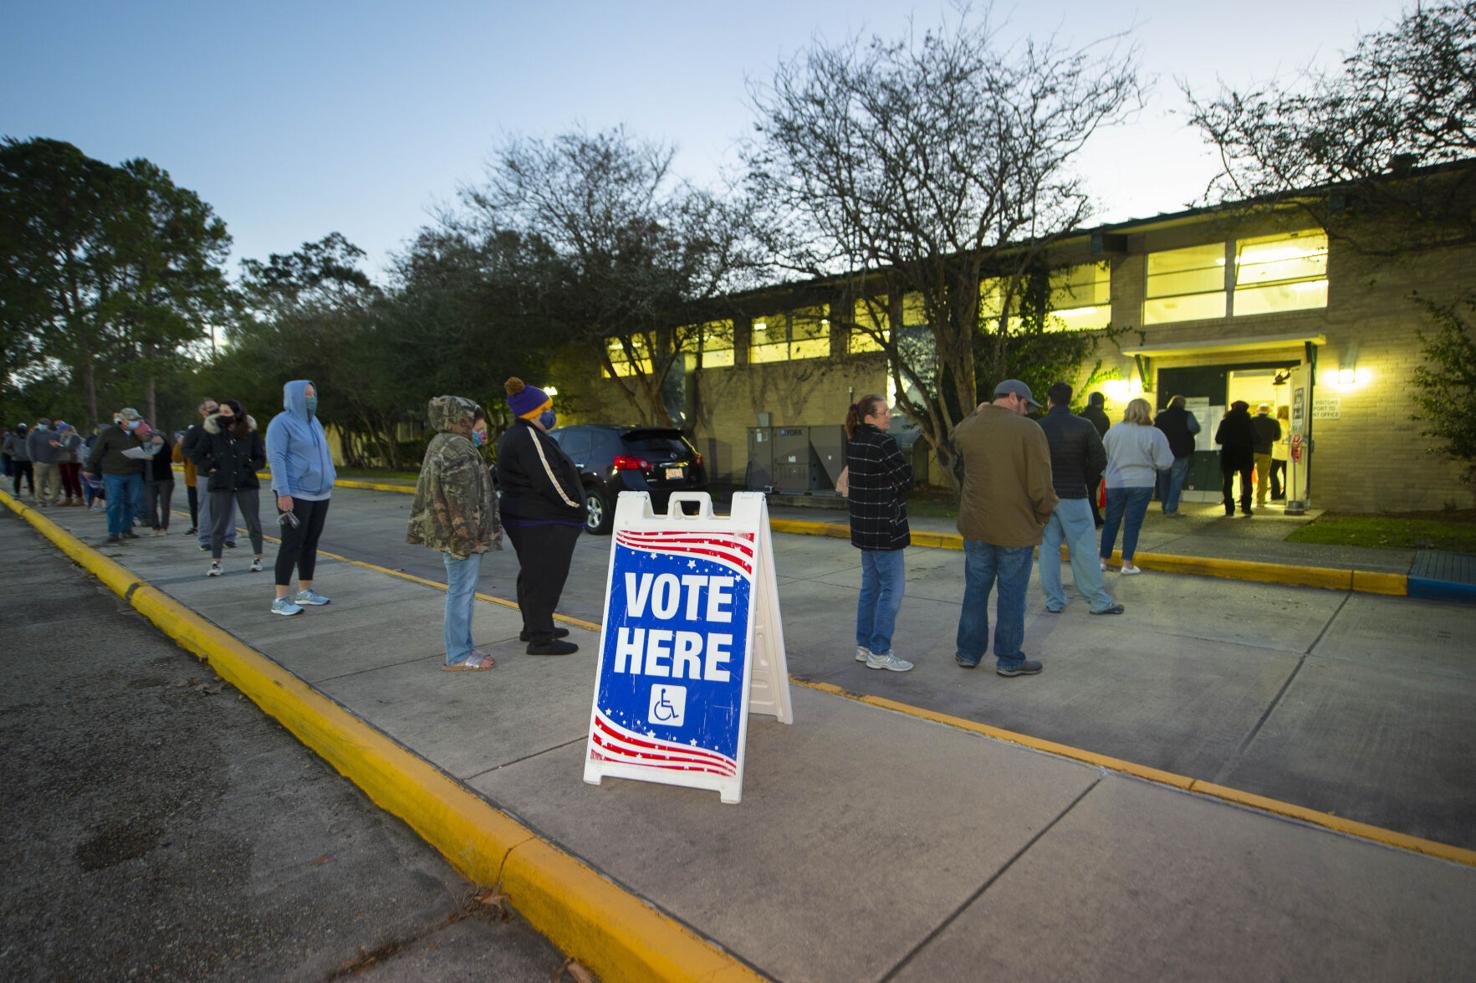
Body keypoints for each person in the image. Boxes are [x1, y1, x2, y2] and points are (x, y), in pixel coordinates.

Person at [953, 380, 1057, 677]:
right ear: (1013, 398)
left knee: (975, 590)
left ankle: (968, 653)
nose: (1026, 412)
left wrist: (976, 413)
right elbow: (1040, 483)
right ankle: (1009, 659)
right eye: (1026, 405)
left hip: (976, 526)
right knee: (1011, 594)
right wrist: (1044, 513)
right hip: (1015, 528)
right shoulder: (1028, 431)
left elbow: (954, 436)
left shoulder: (970, 427)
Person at [407, 396, 502, 671]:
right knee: (461, 593)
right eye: (479, 423)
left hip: (456, 535)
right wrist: (466, 537)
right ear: (463, 421)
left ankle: (463, 647)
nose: (483, 430)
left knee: (461, 591)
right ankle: (458, 654)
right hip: (462, 538)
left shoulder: (444, 443)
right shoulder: (458, 449)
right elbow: (460, 498)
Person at [495, 377, 583, 655]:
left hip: (529, 518)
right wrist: (574, 506)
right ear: (535, 411)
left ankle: (535, 625)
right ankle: (541, 638)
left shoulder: (519, 436)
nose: (551, 412)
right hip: (540, 520)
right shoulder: (529, 438)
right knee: (545, 576)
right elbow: (548, 480)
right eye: (547, 407)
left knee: (533, 574)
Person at [1038, 383, 1123, 615]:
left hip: (1046, 495)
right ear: (1070, 399)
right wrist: (1084, 479)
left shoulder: (1038, 427)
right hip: (1075, 493)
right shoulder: (1084, 426)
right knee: (1083, 548)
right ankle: (1097, 601)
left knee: (1047, 548)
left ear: (1049, 400)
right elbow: (1099, 459)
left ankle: (1054, 600)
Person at [844, 394, 914, 672]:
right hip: (885, 528)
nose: (889, 416)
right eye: (884, 412)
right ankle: (880, 651)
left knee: (870, 588)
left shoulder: (855, 440)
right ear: (869, 417)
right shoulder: (883, 442)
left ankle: (864, 646)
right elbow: (907, 479)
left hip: (863, 527)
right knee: (892, 590)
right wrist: (892, 489)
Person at [265, 380, 337, 616]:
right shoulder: (281, 423)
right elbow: (276, 458)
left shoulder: (313, 421)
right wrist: (283, 492)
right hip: (295, 493)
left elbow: (323, 452)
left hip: (320, 493)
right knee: (291, 544)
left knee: (310, 542)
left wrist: (331, 477)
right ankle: (280, 598)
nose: (311, 398)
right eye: (306, 394)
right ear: (294, 397)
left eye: (313, 393)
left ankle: (305, 590)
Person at [1100, 398, 1174, 575]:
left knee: (1111, 521)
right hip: (1142, 482)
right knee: (1132, 523)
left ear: (1127, 411)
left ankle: (1102, 560)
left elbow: (1102, 456)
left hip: (1115, 482)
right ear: (1147, 412)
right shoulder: (1154, 433)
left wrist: (1106, 474)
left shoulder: (1113, 431)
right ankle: (1127, 563)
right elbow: (1165, 461)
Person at [193, 400, 266, 577]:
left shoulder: (250, 432)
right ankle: (216, 562)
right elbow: (197, 454)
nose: (222, 414)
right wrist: (210, 466)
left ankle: (257, 558)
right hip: (220, 484)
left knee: (253, 522)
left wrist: (250, 466)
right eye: (221, 411)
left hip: (246, 483)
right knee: (218, 524)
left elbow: (260, 458)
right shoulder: (213, 432)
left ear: (237, 413)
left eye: (227, 411)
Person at [85, 408, 152, 544]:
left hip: (134, 472)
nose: (134, 422)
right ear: (123, 420)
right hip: (113, 473)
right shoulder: (109, 433)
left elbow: (149, 445)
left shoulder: (137, 434)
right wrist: (90, 468)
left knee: (131, 502)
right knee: (114, 503)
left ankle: (127, 529)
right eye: (132, 420)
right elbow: (97, 451)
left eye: (136, 420)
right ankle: (113, 532)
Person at [183, 398, 236, 551]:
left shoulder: (227, 428)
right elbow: (188, 450)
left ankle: (229, 537)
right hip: (207, 475)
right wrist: (207, 464)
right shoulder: (196, 431)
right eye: (211, 408)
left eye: (217, 407)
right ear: (203, 412)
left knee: (229, 506)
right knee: (206, 507)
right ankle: (205, 538)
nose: (216, 410)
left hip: (227, 475)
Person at [1153, 396, 1201, 516]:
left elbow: (1155, 431)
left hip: (1163, 453)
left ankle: (1165, 506)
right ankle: (1171, 508)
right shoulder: (1187, 415)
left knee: (1164, 481)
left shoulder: (1161, 416)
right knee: (1176, 481)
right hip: (1181, 452)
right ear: (1183, 404)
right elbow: (1195, 428)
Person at [1215, 400, 1257, 516]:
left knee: (1228, 481)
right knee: (1247, 481)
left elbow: (1218, 439)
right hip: (1245, 454)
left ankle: (1229, 508)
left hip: (1229, 454)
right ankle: (1246, 507)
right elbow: (1256, 438)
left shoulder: (1225, 422)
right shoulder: (1249, 422)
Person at [1080, 391, 1110, 527]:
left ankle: (1090, 516)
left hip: (1083, 457)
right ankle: (1094, 516)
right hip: (1097, 458)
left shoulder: (1082, 416)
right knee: (1092, 489)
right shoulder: (1104, 418)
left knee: (1086, 490)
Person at [143, 427, 176, 534]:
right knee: (150, 505)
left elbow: (168, 459)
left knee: (164, 505)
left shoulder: (166, 447)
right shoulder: (147, 448)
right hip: (149, 480)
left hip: (164, 480)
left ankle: (164, 527)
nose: (153, 438)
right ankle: (155, 526)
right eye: (152, 436)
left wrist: (153, 458)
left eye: (156, 436)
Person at [1251, 403, 1283, 508]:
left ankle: (1245, 497)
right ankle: (1260, 500)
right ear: (1268, 411)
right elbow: (1277, 437)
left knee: (1246, 474)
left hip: (1251, 451)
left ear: (1257, 410)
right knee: (1263, 477)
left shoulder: (1251, 420)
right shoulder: (1274, 421)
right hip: (1266, 451)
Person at [27, 418, 64, 507]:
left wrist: (57, 451)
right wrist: (34, 460)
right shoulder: (33, 435)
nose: (43, 426)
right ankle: (40, 500)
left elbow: (60, 447)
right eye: (42, 424)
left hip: (53, 462)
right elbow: (30, 449)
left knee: (55, 482)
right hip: (39, 462)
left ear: (48, 425)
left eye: (45, 424)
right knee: (40, 482)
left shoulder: (55, 435)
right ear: (38, 424)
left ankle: (53, 499)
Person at [54, 422, 84, 506]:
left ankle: (79, 497)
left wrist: (59, 445)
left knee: (73, 478)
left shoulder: (75, 437)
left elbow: (70, 448)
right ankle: (68, 497)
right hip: (64, 459)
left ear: (67, 430)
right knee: (65, 479)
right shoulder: (63, 437)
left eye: (62, 431)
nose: (61, 432)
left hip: (74, 460)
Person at [6, 422, 34, 498]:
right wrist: (13, 454)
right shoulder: (12, 438)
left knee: (30, 478)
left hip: (28, 460)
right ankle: (17, 492)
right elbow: (6, 448)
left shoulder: (29, 437)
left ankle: (32, 492)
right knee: (17, 478)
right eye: (20, 431)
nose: (22, 433)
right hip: (16, 461)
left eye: (23, 430)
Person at [1271, 405, 1291, 501]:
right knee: (1286, 474)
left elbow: (1274, 437)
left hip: (1277, 451)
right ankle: (1285, 493)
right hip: (1288, 452)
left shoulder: (1277, 423)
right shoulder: (1291, 424)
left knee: (1272, 472)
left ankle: (1275, 492)